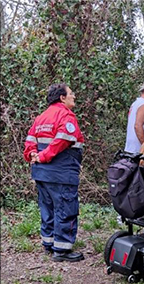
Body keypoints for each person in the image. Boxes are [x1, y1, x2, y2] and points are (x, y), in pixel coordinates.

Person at [23, 83, 85, 262]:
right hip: (61, 173)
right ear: (62, 98)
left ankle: (49, 244)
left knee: (47, 209)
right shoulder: (66, 115)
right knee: (66, 208)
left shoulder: (41, 118)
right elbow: (63, 140)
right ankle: (62, 249)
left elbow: (30, 141)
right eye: (71, 93)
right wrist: (43, 156)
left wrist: (33, 155)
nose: (74, 96)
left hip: (41, 174)